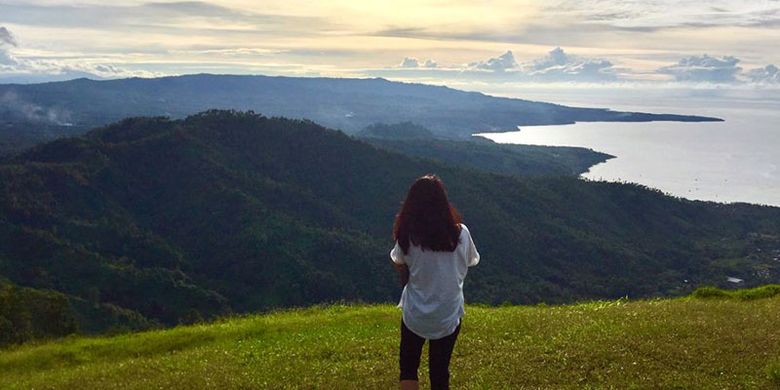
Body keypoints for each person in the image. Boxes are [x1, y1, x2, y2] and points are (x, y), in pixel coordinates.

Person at [390, 174, 480, 390]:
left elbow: (398, 261)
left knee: (409, 368)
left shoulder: (407, 236)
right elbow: (470, 261)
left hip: (416, 314)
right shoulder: (461, 234)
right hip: (448, 314)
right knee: (440, 372)